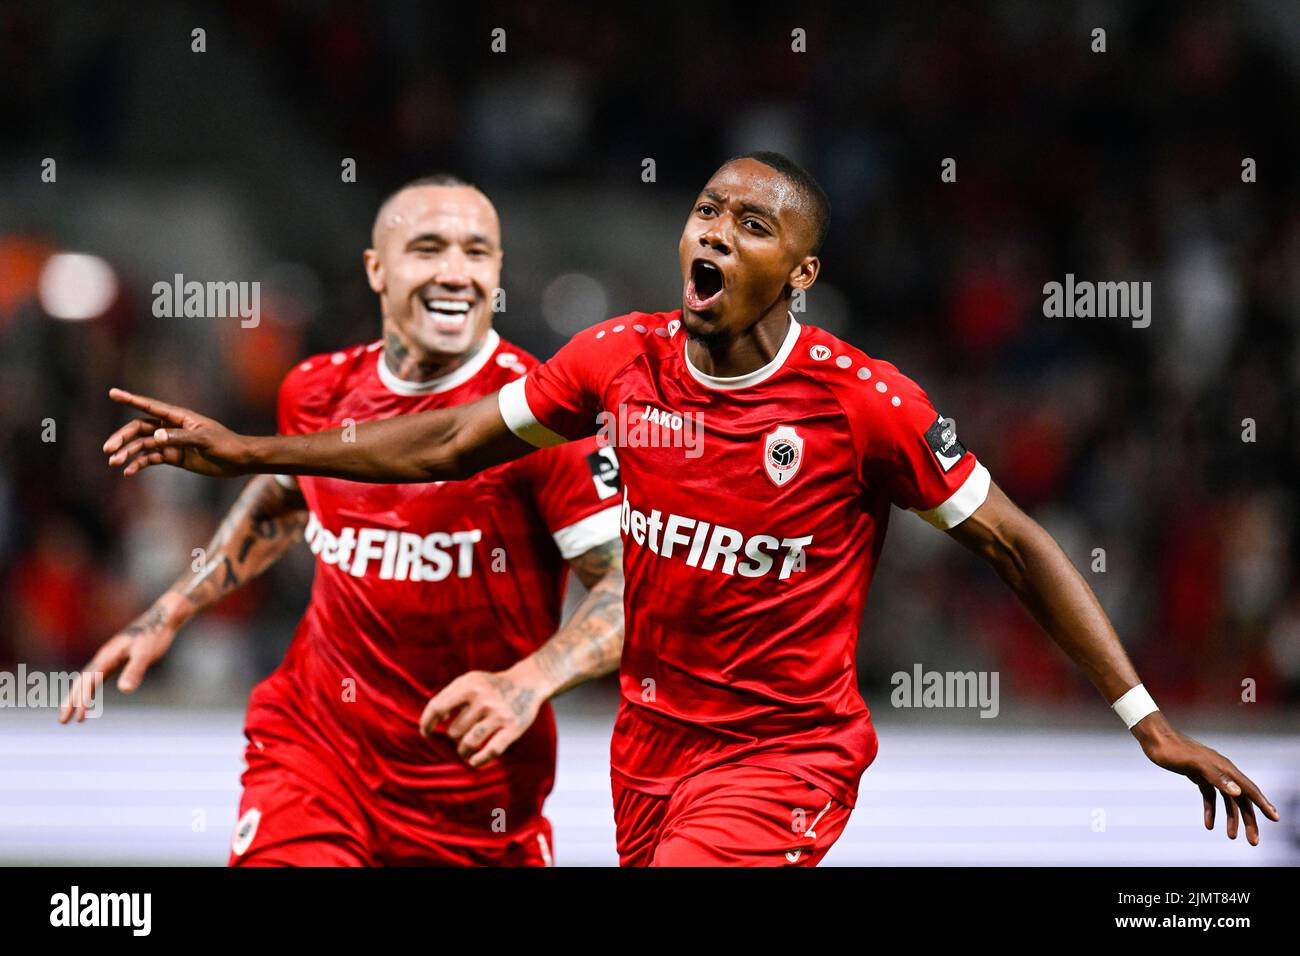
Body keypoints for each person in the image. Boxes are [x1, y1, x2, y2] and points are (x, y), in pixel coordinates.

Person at [101, 153, 1279, 866]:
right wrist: (245, 444)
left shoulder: (865, 405)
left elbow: (1016, 543)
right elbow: (452, 438)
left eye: (751, 224)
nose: (714, 232)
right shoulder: (619, 360)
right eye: (708, 211)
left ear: (798, 272)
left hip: (782, 752)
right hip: (647, 749)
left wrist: (1146, 720)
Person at [73, 175, 626, 867]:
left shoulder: (544, 418)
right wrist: (171, 611)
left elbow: (627, 593)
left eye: (477, 253)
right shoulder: (316, 390)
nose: (455, 272)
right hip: (315, 752)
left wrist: (530, 680)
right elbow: (281, 499)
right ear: (377, 268)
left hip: (470, 791)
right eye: (428, 248)